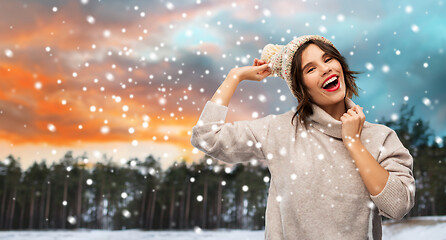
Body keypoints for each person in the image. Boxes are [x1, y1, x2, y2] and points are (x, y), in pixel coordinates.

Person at [190, 35, 415, 239]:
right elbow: (206, 137)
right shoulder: (279, 130)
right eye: (310, 69)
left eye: (328, 59)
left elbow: (398, 206)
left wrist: (353, 143)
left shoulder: (380, 137)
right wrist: (234, 76)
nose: (325, 69)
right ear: (301, 88)